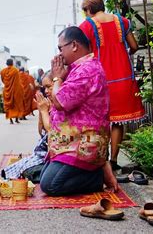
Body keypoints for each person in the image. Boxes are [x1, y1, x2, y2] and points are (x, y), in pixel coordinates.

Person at [39, 26, 118, 196]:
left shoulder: (86, 70)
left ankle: (96, 177)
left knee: (50, 185)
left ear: (74, 45)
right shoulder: (77, 69)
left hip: (83, 146)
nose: (59, 54)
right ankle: (95, 170)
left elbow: (60, 101)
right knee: (43, 177)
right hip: (69, 142)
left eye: (61, 48)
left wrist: (58, 77)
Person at [79, 0, 145, 170]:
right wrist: (123, 57)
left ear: (89, 9)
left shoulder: (87, 26)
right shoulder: (122, 22)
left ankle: (102, 160)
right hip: (123, 77)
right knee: (117, 122)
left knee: (101, 122)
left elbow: (83, 54)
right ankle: (114, 160)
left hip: (100, 80)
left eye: (85, 11)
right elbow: (134, 46)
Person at [0, 59, 25, 124]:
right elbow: (18, 82)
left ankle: (10, 120)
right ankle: (16, 119)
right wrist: (21, 89)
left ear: (6, 63)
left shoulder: (3, 71)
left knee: (9, 106)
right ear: (12, 63)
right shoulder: (15, 71)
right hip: (15, 90)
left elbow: (3, 80)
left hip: (6, 90)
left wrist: (7, 85)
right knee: (16, 104)